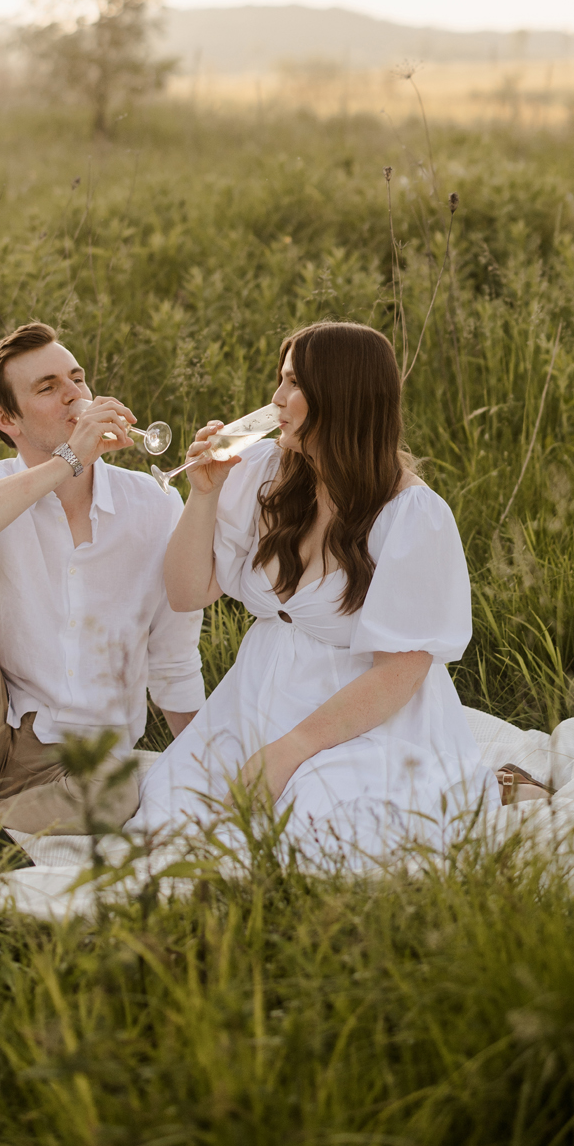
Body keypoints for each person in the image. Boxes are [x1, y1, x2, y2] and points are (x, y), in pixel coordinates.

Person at [129, 321, 500, 865]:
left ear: (340, 398)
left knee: (326, 836)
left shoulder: (414, 516)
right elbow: (186, 594)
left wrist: (290, 752)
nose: (276, 400)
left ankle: (490, 785)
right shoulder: (262, 471)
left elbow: (401, 670)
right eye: (280, 381)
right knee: (174, 824)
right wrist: (203, 495)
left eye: (292, 385)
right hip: (254, 696)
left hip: (358, 713)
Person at [0, 322, 204, 835]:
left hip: (81, 765)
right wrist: (67, 460)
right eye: (48, 387)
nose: (75, 395)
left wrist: (207, 765)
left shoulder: (155, 504)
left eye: (77, 379)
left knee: (116, 788)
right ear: (6, 418)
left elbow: (174, 655)